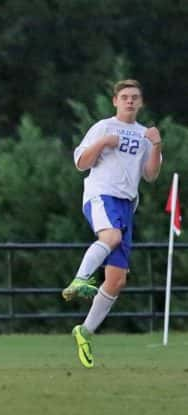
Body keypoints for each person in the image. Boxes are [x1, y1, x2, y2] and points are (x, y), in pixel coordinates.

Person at [62, 79, 162, 368]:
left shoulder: (144, 134)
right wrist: (104, 142)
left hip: (127, 204)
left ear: (140, 103)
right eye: (125, 97)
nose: (130, 101)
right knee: (112, 236)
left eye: (135, 97)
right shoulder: (103, 127)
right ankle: (80, 278)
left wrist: (155, 145)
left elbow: (151, 175)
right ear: (115, 101)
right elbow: (81, 162)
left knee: (117, 280)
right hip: (101, 195)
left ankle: (85, 331)